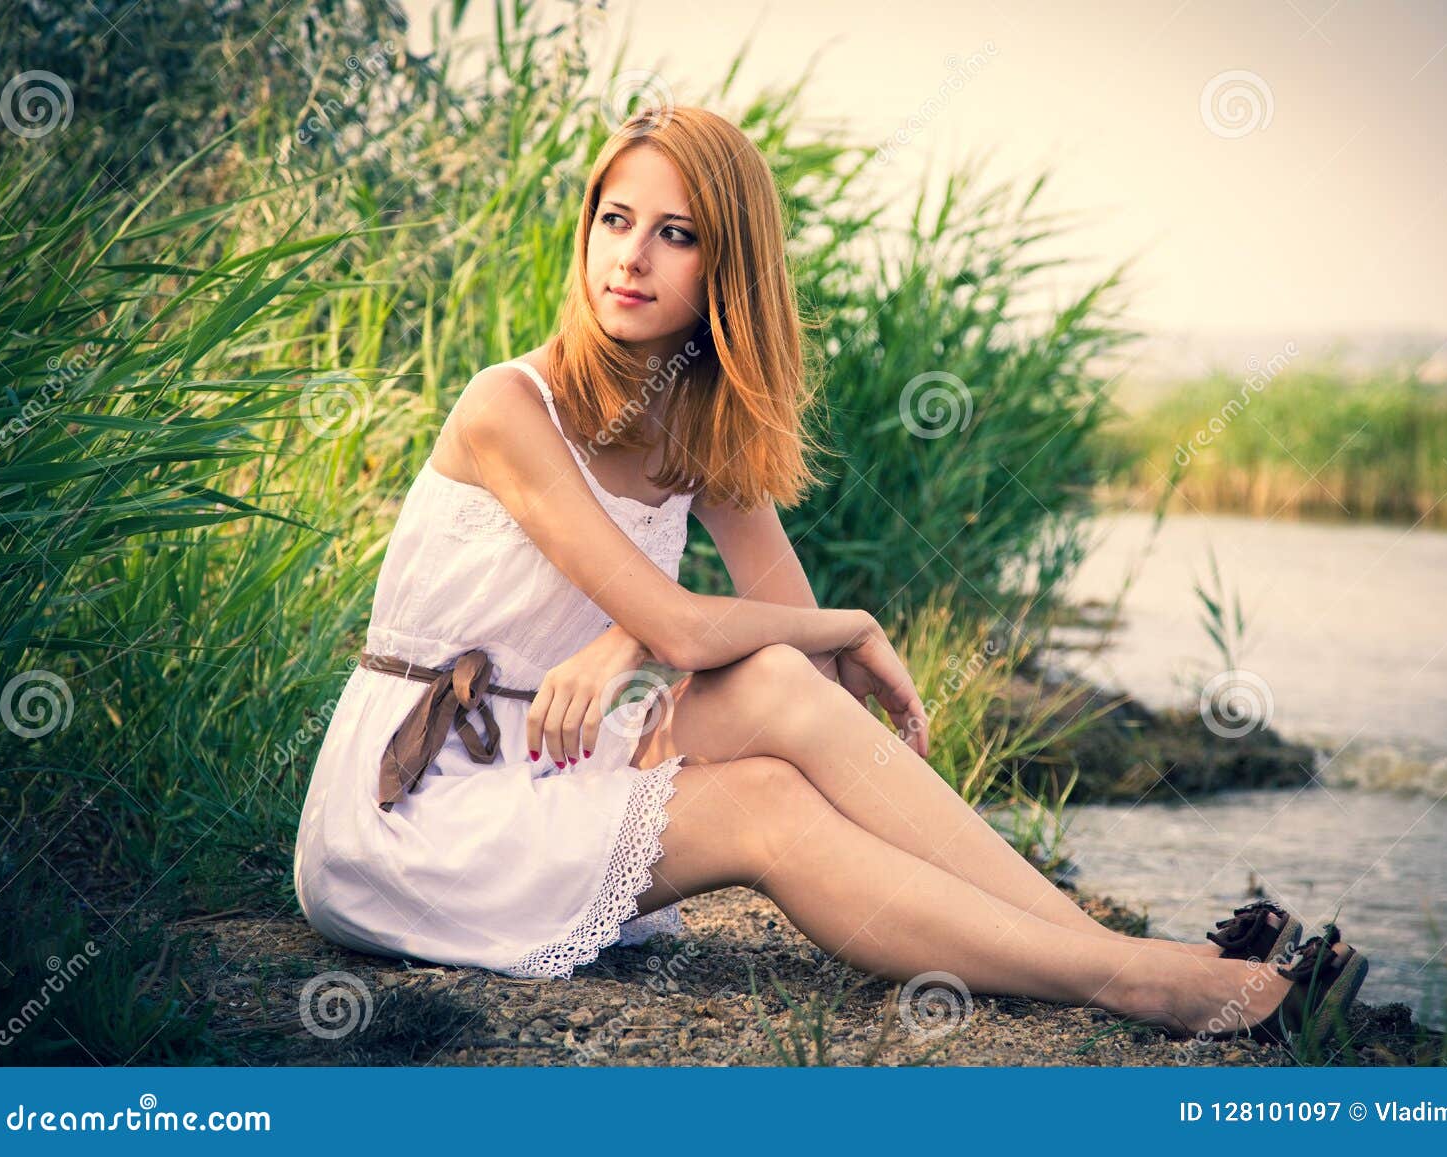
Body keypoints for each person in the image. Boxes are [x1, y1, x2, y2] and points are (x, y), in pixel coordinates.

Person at [293, 104, 1365, 1045]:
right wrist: (804, 621)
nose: (631, 258)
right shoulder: (507, 406)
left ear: (727, 266)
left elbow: (782, 648)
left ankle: (1127, 951)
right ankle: (1149, 980)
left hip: (555, 754)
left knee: (770, 688)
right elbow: (773, 622)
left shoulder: (694, 415)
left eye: (677, 235)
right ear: (585, 232)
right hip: (420, 807)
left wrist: (637, 634)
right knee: (764, 805)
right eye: (614, 222)